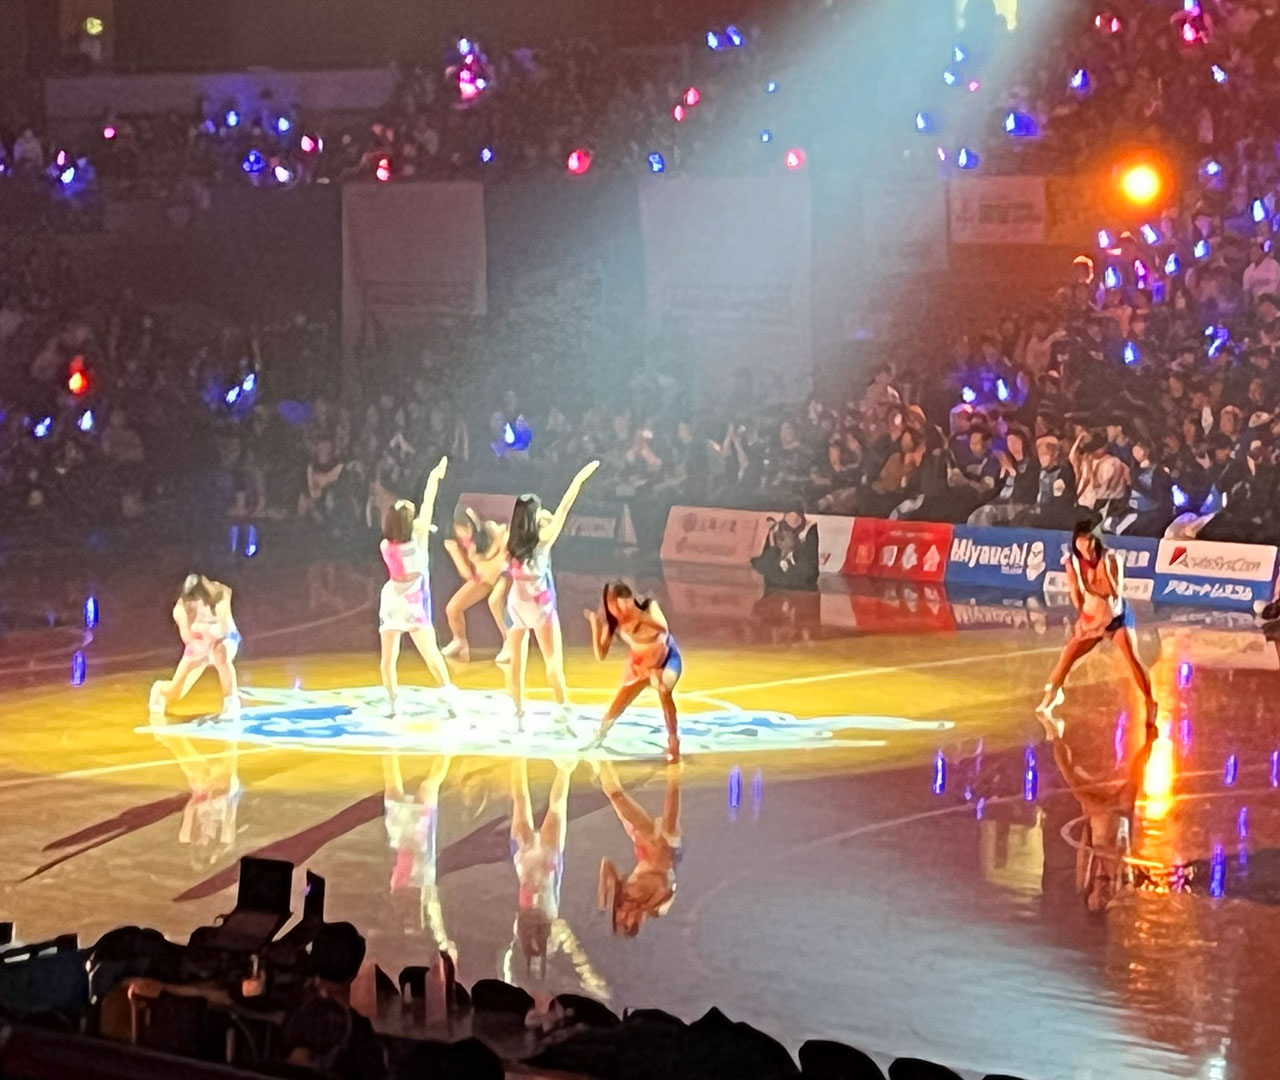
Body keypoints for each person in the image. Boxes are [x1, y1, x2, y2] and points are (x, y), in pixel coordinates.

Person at [502, 460, 600, 730]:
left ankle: (518, 712)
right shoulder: (544, 538)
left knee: (516, 662)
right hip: (539, 605)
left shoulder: (509, 541)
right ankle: (562, 708)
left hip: (516, 604)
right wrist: (579, 478)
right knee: (552, 661)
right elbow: (565, 505)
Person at [1038, 711, 1158, 913]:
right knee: (1134, 777)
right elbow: (1124, 850)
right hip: (1114, 815)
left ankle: (1054, 735)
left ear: (1090, 898)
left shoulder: (1085, 882)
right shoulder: (1117, 881)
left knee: (1071, 777)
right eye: (1103, 902)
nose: (1101, 898)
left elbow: (1085, 849)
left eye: (1096, 901)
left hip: (1100, 816)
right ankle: (1150, 734)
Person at [1037, 520, 1155, 719]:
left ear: (1096, 540)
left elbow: (1115, 593)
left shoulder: (1111, 559)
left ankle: (1150, 701)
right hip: (1091, 618)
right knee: (1067, 656)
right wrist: (1082, 617)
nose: (1085, 546)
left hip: (1115, 618)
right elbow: (1075, 592)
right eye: (1081, 541)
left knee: (1133, 660)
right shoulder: (1073, 562)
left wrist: (1103, 574)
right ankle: (1053, 694)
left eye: (1089, 540)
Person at [378, 456, 453, 719]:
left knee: (388, 658)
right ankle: (449, 699)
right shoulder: (419, 540)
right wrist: (434, 477)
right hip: (413, 603)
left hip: (391, 600)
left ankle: (392, 704)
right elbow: (428, 501)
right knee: (431, 653)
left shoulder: (386, 546)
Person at [582, 581, 682, 764]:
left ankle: (673, 741)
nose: (621, 613)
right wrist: (595, 626)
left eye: (624, 606)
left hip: (665, 659)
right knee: (621, 700)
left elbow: (663, 627)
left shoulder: (649, 606)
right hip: (640, 665)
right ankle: (600, 735)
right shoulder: (613, 624)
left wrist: (638, 615)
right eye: (614, 608)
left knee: (663, 688)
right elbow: (600, 655)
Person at [595, 761, 682, 937]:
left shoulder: (622, 893)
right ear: (637, 921)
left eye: (620, 917)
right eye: (627, 920)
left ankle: (600, 761)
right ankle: (675, 767)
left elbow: (607, 864)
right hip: (665, 848)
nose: (624, 914)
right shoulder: (657, 907)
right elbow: (666, 883)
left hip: (643, 842)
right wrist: (647, 904)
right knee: (669, 825)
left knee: (616, 796)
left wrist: (604, 890)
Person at [149, 574, 241, 719]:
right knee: (176, 692)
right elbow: (187, 637)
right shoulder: (180, 609)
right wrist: (202, 645)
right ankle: (160, 689)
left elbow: (223, 629)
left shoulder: (221, 593)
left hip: (225, 638)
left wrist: (212, 639)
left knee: (220, 653)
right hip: (199, 645)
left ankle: (231, 703)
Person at [441, 506, 510, 664]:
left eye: (468, 527)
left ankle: (509, 642)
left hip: (503, 575)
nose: (465, 532)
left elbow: (504, 550)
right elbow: (467, 574)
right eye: (461, 529)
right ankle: (459, 641)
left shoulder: (490, 529)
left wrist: (493, 557)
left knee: (494, 602)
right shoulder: (457, 542)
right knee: (453, 608)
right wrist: (455, 552)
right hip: (483, 579)